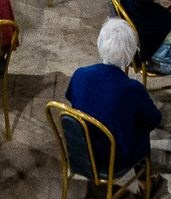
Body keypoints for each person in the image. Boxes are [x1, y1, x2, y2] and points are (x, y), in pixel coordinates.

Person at [65, 20, 162, 175]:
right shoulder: (133, 89)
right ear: (130, 54)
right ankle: (145, 183)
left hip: (80, 149)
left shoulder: (80, 74)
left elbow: (72, 99)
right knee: (141, 130)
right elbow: (154, 120)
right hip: (111, 160)